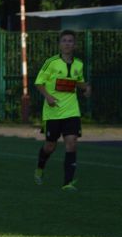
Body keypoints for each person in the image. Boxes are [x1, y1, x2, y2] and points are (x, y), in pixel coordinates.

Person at [34, 30, 91, 190]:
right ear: (60, 44)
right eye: (64, 40)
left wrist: (86, 88)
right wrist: (48, 97)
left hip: (71, 111)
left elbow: (78, 82)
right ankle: (40, 168)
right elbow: (39, 82)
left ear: (75, 45)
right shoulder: (51, 62)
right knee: (50, 146)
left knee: (71, 143)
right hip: (53, 112)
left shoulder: (79, 64)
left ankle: (67, 183)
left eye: (70, 41)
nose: (67, 43)